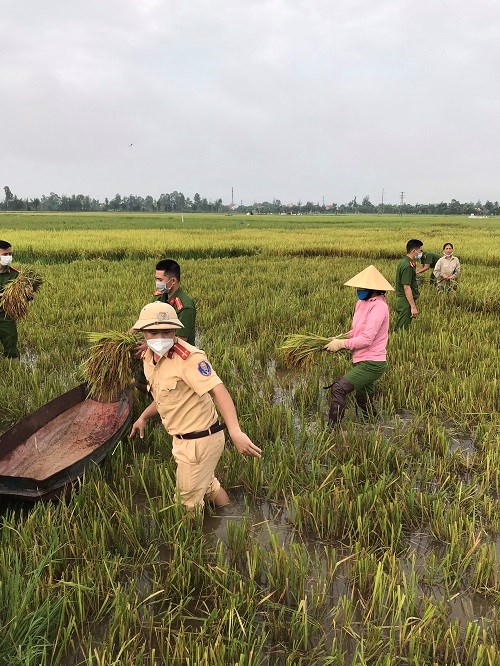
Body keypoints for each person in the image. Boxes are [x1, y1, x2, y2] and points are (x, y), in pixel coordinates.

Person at [129, 301, 261, 511]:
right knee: (208, 485)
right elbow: (164, 397)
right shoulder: (147, 357)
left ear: (175, 330)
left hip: (200, 441)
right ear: (142, 333)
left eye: (167, 331)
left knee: (186, 504)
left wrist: (235, 431)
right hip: (182, 440)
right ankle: (228, 516)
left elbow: (219, 390)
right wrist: (143, 417)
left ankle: (192, 542)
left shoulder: (189, 358)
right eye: (153, 332)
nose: (160, 338)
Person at [323, 265, 393, 426]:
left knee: (339, 388)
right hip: (360, 359)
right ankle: (373, 426)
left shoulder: (379, 307)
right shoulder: (361, 303)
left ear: (374, 288)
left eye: (362, 287)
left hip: (373, 363)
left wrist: (341, 344)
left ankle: (332, 431)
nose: (359, 290)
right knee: (363, 397)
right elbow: (356, 331)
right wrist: (337, 338)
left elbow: (367, 339)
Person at [154, 259, 195, 345]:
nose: (157, 283)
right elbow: (147, 321)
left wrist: (149, 344)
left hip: (179, 354)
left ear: (172, 281)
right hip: (158, 348)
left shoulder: (185, 306)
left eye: (160, 280)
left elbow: (180, 341)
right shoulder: (159, 299)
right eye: (156, 279)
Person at [394, 239, 422, 331]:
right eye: (419, 250)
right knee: (401, 330)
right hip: (405, 301)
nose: (420, 253)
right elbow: (406, 287)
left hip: (403, 300)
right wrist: (413, 307)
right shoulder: (407, 266)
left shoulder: (404, 262)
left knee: (402, 327)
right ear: (414, 251)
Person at [0, 241, 20, 359]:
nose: (8, 257)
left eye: (10, 254)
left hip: (6, 315)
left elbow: (26, 297)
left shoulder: (16, 275)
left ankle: (12, 368)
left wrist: (27, 294)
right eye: (5, 254)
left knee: (11, 347)